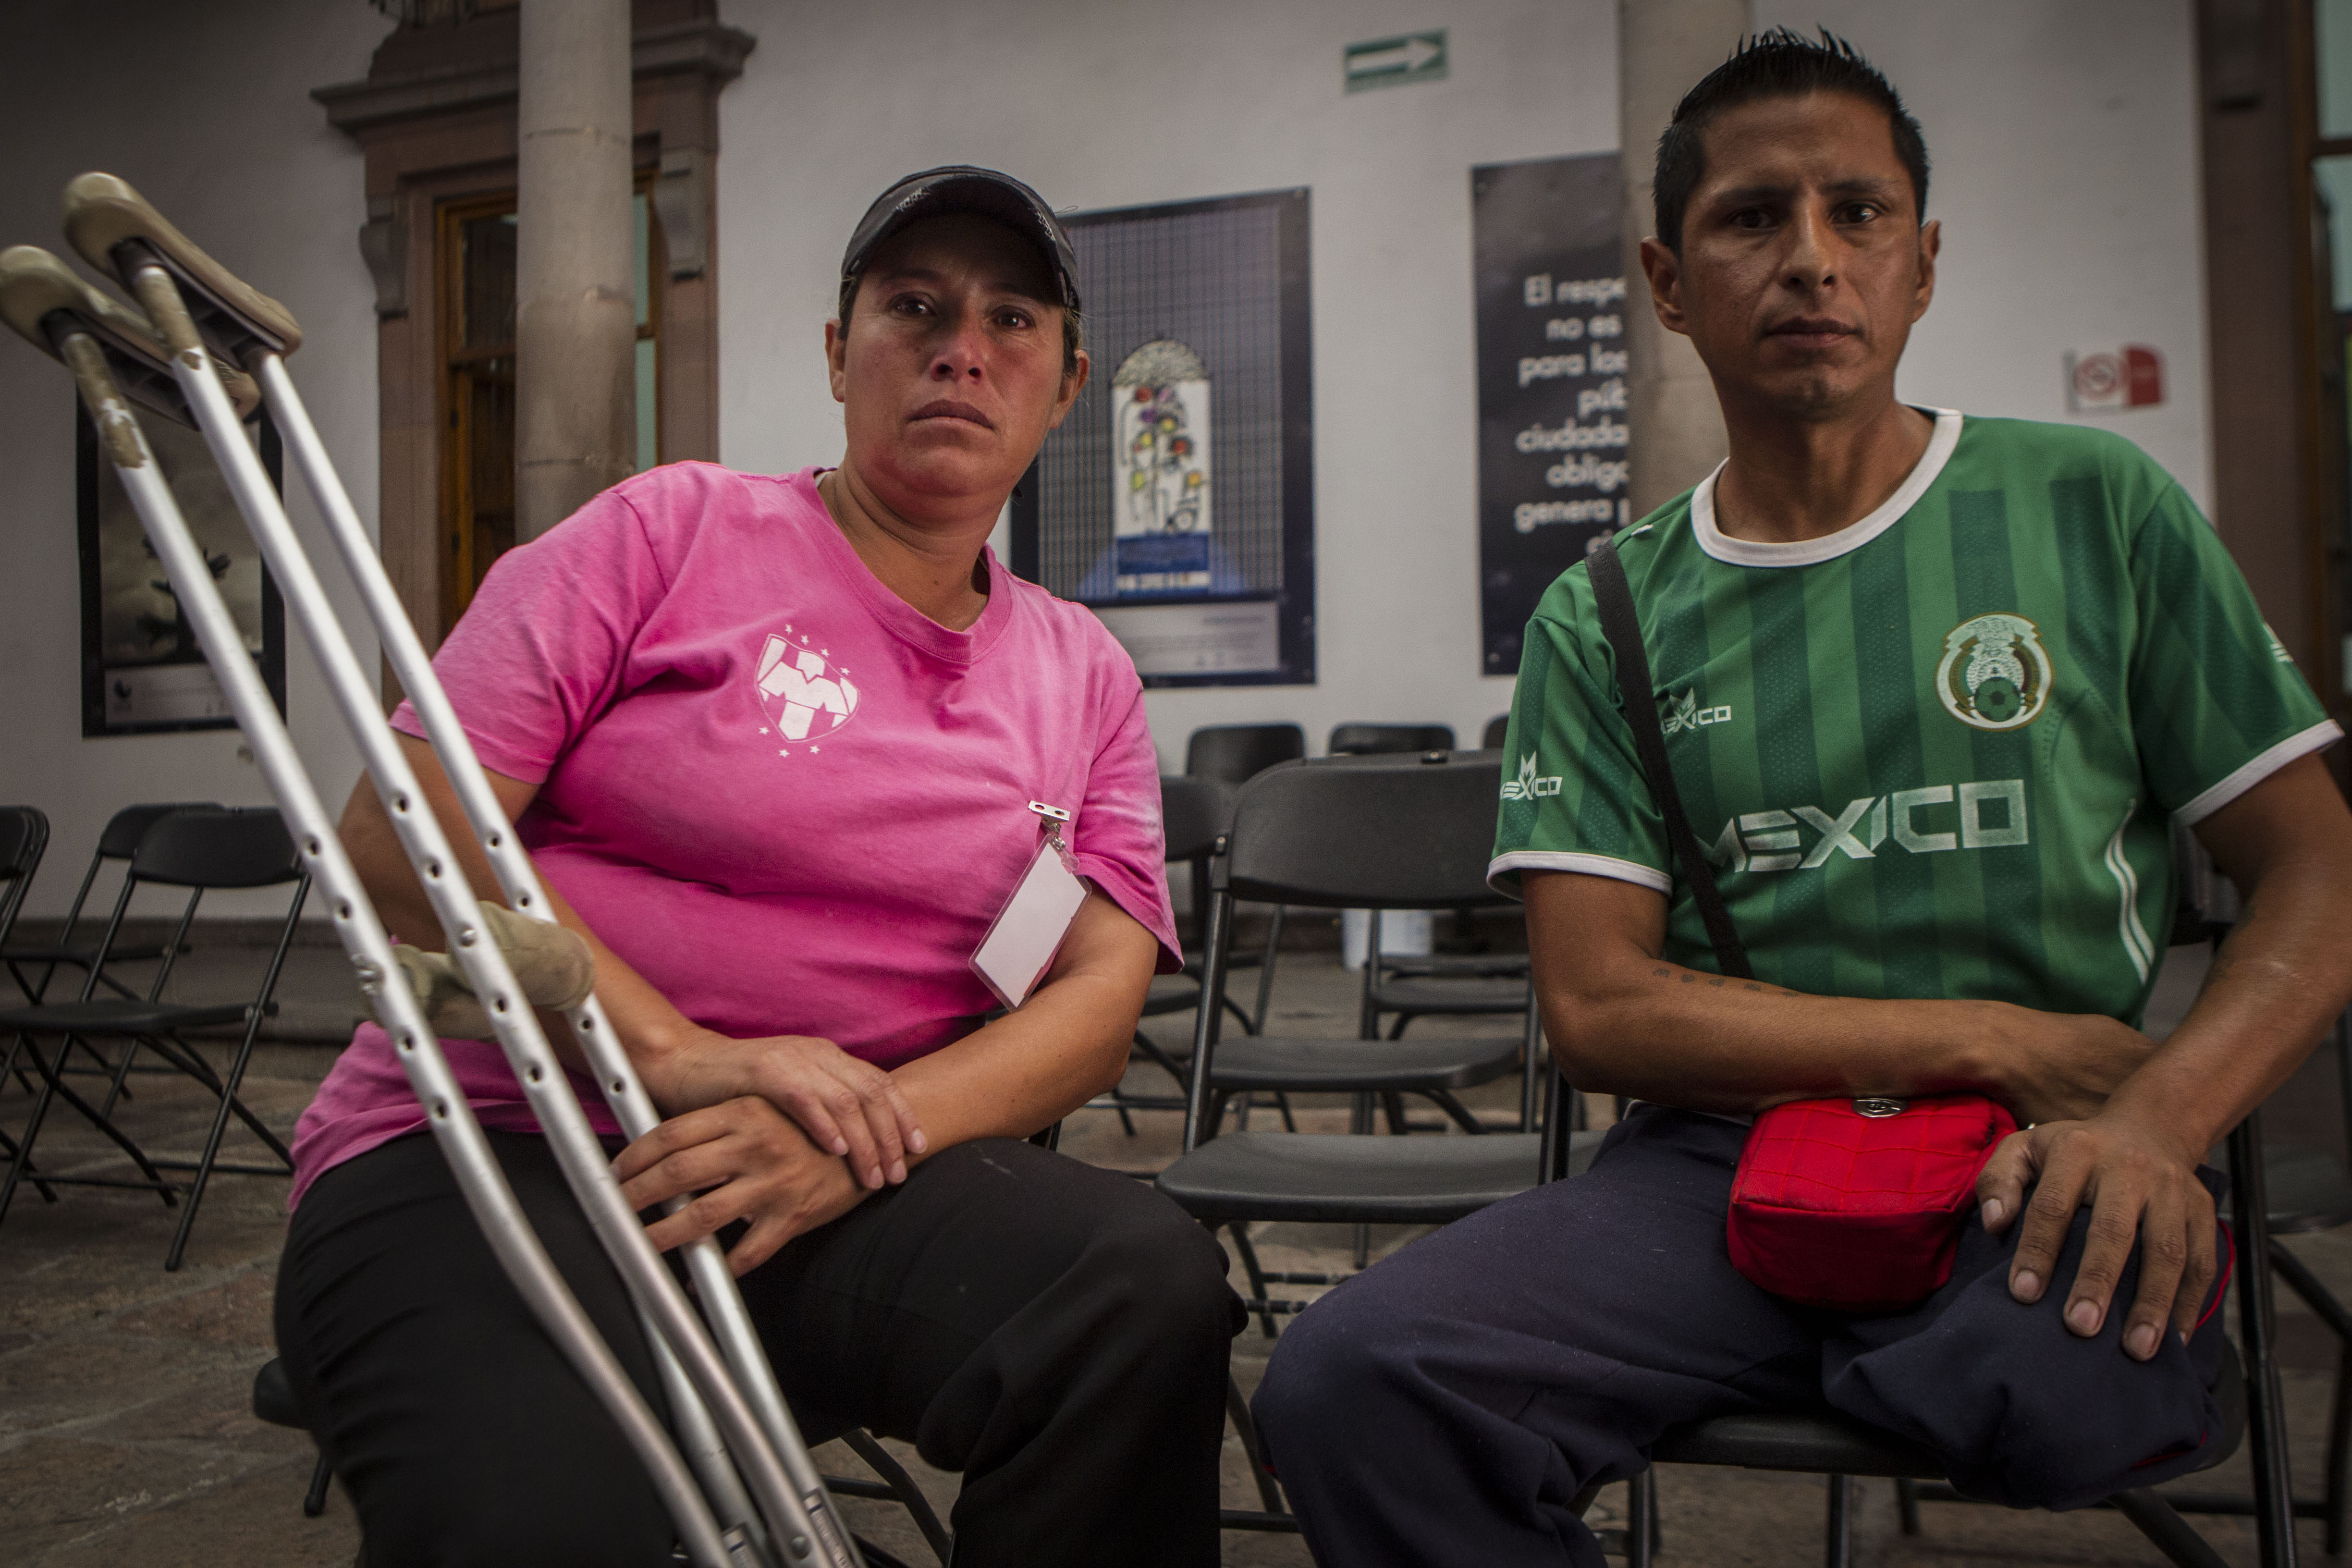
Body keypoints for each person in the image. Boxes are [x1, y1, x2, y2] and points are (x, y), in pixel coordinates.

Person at [1252, 30, 2352, 1565]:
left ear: (1924, 262)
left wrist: (2156, 1124)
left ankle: (1869, 1336)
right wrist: (1987, 1035)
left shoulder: (2096, 511)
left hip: (2044, 1147)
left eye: (1861, 212)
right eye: (1754, 218)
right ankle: (1847, 1335)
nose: (1814, 259)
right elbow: (1602, 1011)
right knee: (1348, 1382)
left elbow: (2314, 872)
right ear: (1668, 280)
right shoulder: (1606, 612)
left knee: (2049, 1391)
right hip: (1727, 1166)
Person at [274, 167, 1243, 1568]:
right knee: (542, 1524)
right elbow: (396, 846)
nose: (962, 350)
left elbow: (1097, 997)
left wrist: (862, 1136)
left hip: (831, 1180)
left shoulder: (1082, 672)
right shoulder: (666, 534)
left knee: (1139, 1287)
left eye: (1011, 320)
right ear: (840, 354)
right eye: (914, 308)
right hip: (502, 1146)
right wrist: (679, 1056)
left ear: (1068, 386)